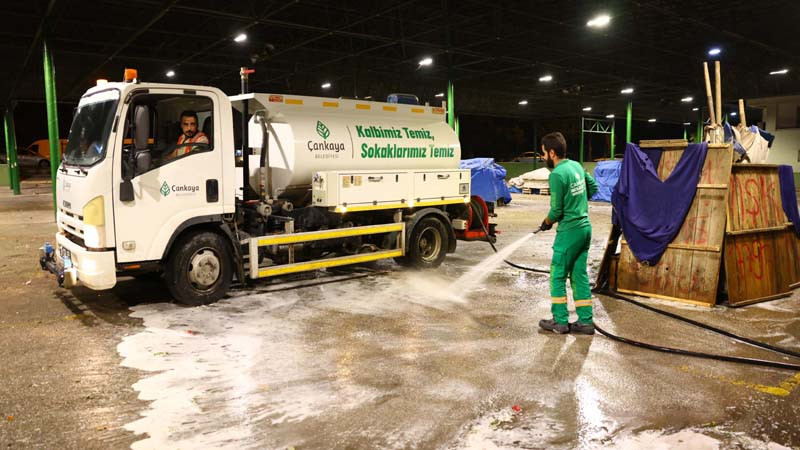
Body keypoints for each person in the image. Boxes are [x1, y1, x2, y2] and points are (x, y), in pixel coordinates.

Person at [537, 131, 598, 335]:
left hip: (569, 231)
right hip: (584, 228)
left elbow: (556, 211)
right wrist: (577, 201)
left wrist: (546, 223)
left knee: (557, 275)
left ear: (552, 153)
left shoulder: (557, 174)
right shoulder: (576, 166)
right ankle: (585, 322)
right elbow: (593, 187)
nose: (543, 157)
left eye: (544, 153)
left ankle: (560, 321)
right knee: (579, 275)